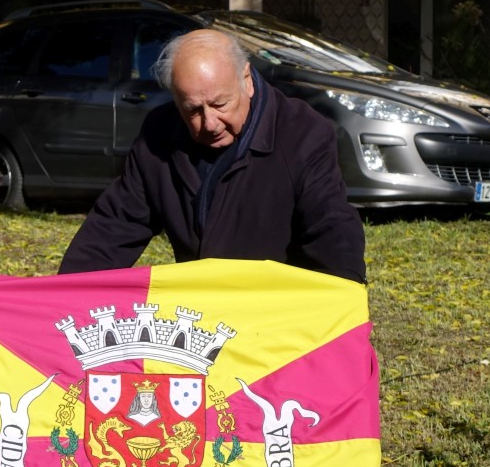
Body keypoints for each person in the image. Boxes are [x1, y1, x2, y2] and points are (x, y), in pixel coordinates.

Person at [58, 28, 365, 283]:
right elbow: (115, 225)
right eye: (193, 110)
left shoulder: (302, 133)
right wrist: (65, 294)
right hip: (200, 309)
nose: (210, 123)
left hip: (276, 309)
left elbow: (330, 224)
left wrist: (345, 295)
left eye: (220, 105)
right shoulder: (159, 135)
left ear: (246, 80)